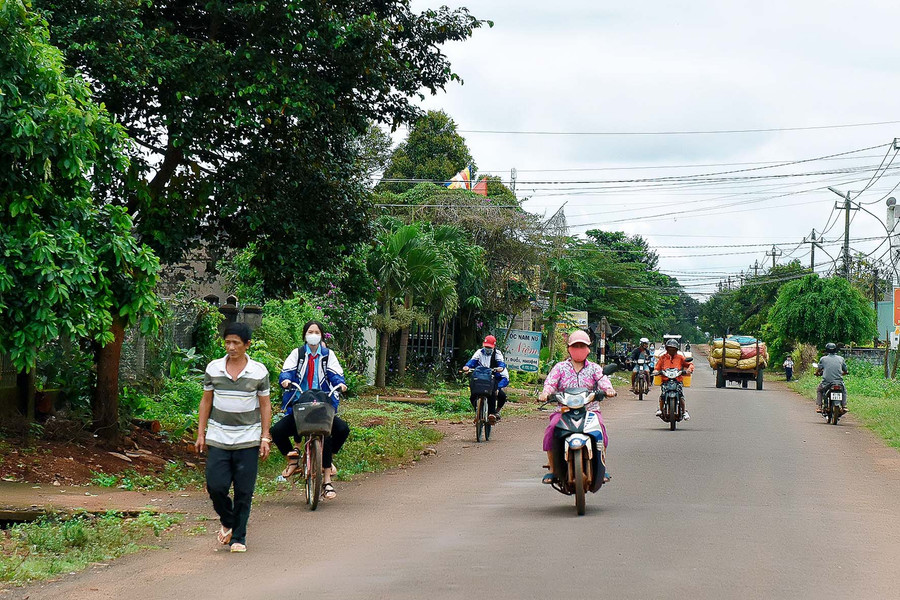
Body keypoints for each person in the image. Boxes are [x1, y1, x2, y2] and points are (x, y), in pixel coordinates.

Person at [196, 322, 271, 553]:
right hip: (218, 436)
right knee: (215, 486)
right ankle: (228, 520)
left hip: (247, 438)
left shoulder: (259, 371)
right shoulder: (213, 369)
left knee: (243, 490)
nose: (231, 347)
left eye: (236, 343)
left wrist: (265, 437)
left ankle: (239, 536)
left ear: (247, 345)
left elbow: (265, 405)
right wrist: (201, 433)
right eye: (227, 342)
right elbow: (206, 400)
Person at [272, 320, 349, 500]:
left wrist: (340, 384)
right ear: (305, 335)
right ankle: (292, 461)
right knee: (277, 431)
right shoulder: (297, 354)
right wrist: (285, 380)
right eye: (310, 331)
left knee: (340, 430)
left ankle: (327, 476)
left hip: (322, 406)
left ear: (321, 335)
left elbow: (336, 374)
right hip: (300, 406)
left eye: (316, 332)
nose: (313, 335)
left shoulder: (328, 355)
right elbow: (287, 372)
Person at [538, 330, 616, 484]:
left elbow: (604, 381)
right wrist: (545, 393)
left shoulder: (594, 368)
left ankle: (602, 466)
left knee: (600, 428)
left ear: (587, 348)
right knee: (552, 428)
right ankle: (553, 469)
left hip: (590, 410)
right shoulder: (560, 367)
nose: (579, 348)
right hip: (564, 410)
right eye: (576, 346)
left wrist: (609, 390)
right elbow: (550, 383)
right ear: (569, 348)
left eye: (582, 345)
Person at [462, 335, 510, 424]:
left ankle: (492, 413)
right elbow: (472, 362)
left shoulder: (497, 354)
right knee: (473, 395)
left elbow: (501, 364)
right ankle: (478, 411)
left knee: (492, 393)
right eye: (486, 347)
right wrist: (467, 366)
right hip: (480, 378)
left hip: (492, 379)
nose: (487, 349)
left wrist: (500, 368)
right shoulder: (479, 352)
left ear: (494, 346)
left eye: (489, 347)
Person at [653, 338, 694, 421]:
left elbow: (690, 364)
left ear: (676, 350)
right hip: (665, 380)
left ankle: (684, 411)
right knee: (663, 394)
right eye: (670, 349)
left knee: (681, 394)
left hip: (677, 379)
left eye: (673, 349)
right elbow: (657, 367)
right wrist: (656, 371)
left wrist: (689, 369)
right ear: (667, 349)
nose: (671, 351)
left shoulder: (680, 357)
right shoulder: (663, 357)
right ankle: (660, 409)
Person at [815, 343, 848, 414]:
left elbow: (819, 369)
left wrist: (817, 373)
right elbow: (845, 370)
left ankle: (819, 406)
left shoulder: (823, 359)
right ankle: (844, 406)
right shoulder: (841, 359)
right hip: (838, 382)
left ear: (826, 350)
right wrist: (844, 373)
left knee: (819, 390)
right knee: (844, 390)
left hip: (826, 382)